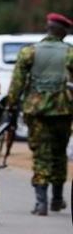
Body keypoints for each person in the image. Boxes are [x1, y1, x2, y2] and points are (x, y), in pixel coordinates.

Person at [7, 13, 73, 216]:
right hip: (63, 110)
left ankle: (40, 203)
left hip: (36, 110)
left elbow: (17, 82)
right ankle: (57, 198)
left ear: (48, 29)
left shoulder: (30, 52)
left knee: (41, 154)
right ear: (61, 31)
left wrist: (12, 105)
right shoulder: (70, 53)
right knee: (59, 153)